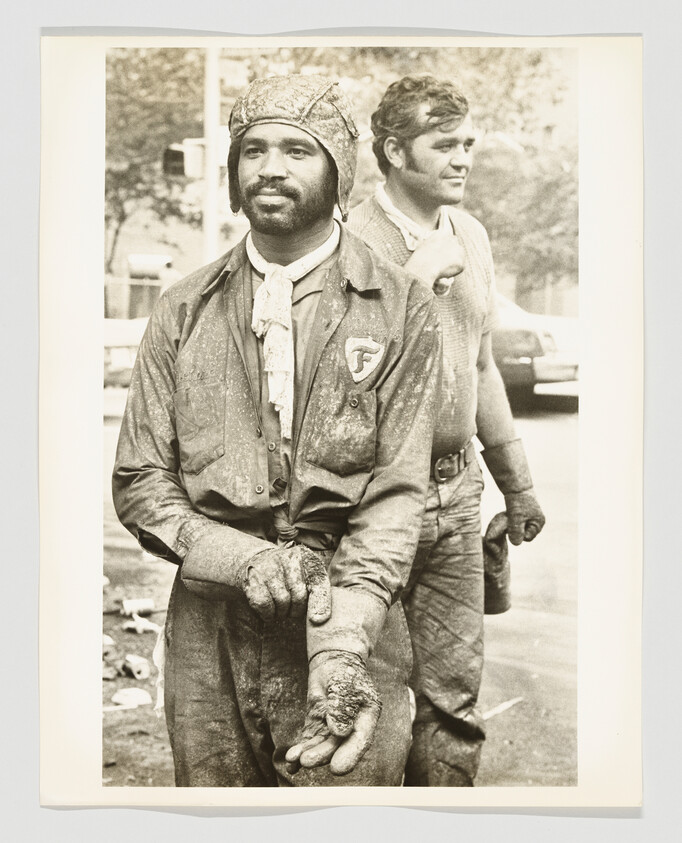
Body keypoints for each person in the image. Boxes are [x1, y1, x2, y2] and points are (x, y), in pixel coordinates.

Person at [112, 74, 442, 788]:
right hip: (209, 626)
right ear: (232, 174)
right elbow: (141, 480)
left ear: (340, 171)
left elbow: (394, 496)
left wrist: (342, 648)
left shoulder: (403, 308)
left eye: (298, 149)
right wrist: (244, 560)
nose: (270, 166)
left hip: (351, 609)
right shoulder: (180, 310)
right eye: (253, 149)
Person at [348, 74, 546, 787]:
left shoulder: (471, 234)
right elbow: (343, 385)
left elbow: (481, 361)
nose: (463, 159)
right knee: (367, 709)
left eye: (468, 144)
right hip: (368, 504)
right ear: (395, 152)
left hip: (458, 497)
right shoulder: (347, 242)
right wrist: (411, 277)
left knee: (455, 703)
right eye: (444, 145)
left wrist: (516, 483)